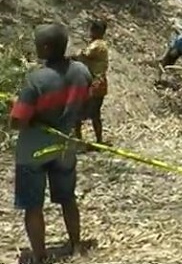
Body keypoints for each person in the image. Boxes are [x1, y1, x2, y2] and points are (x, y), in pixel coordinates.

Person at [9, 24, 93, 263]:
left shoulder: (36, 80)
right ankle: (76, 244)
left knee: (33, 206)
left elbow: (18, 121)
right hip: (65, 146)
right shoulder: (81, 72)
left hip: (33, 151)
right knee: (68, 198)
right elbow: (85, 107)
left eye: (37, 43)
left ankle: (40, 255)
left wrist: (14, 106)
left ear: (46, 47)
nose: (34, 46)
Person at [73, 20, 109, 148]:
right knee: (95, 114)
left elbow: (82, 55)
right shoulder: (100, 45)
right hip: (98, 82)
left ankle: (79, 141)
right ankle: (98, 141)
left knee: (78, 112)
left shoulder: (97, 45)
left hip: (93, 83)